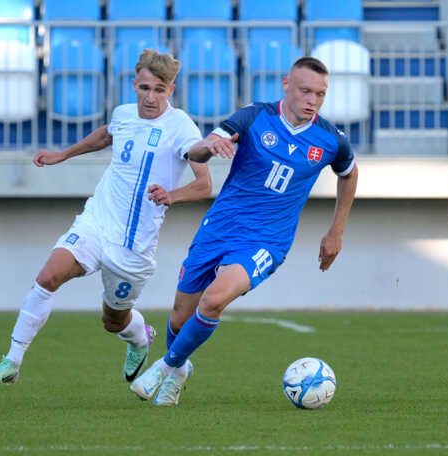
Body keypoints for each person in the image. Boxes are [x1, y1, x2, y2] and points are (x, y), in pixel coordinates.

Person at [130, 56, 358, 406]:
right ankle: (179, 371)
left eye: (320, 94)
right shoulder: (255, 116)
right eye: (306, 91)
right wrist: (211, 145)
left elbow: (349, 172)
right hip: (219, 229)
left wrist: (336, 230)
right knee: (180, 315)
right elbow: (203, 151)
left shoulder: (330, 139)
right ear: (286, 85)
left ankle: (166, 366)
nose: (312, 100)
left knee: (216, 298)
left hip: (266, 240)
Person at [0, 49, 212, 387]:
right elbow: (106, 134)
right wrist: (63, 155)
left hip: (134, 246)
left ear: (171, 91)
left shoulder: (181, 127)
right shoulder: (124, 114)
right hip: (97, 221)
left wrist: (171, 195)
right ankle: (11, 361)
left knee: (113, 321)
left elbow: (205, 184)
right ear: (134, 85)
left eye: (159, 90)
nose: (151, 97)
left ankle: (139, 338)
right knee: (47, 277)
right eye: (145, 88)